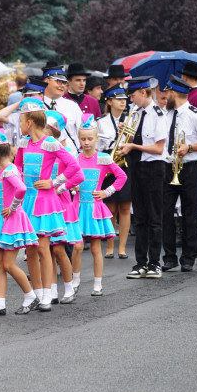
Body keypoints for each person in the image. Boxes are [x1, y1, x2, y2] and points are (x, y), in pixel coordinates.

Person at [14, 98, 83, 311]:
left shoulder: (50, 144)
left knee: (44, 248)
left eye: (21, 120)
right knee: (30, 250)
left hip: (44, 201)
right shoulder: (23, 144)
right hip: (27, 201)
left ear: (29, 123)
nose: (19, 124)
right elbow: (16, 169)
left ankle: (47, 294)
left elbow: (73, 166)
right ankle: (37, 293)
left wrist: (54, 182)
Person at [160, 75, 197, 272]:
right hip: (168, 167)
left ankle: (188, 257)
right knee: (165, 213)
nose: (165, 97)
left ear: (174, 93)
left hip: (189, 168)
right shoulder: (165, 114)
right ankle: (169, 257)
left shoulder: (194, 114)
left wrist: (189, 148)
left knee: (189, 213)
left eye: (167, 94)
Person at [0, 129, 38, 316]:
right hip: (3, 218)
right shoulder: (4, 170)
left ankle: (31, 296)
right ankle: (0, 304)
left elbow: (21, 189)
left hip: (12, 219)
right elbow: (11, 192)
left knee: (9, 264)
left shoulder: (9, 170)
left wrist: (11, 207)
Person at [118, 76, 168, 280]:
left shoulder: (158, 114)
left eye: (133, 95)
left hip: (154, 167)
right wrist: (126, 134)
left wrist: (133, 145)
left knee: (154, 217)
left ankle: (155, 263)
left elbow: (158, 148)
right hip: (137, 166)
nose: (131, 99)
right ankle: (141, 263)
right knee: (139, 216)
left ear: (143, 93)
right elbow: (133, 140)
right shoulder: (135, 113)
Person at [75, 116, 126, 296]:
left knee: (96, 248)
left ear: (97, 139)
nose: (86, 142)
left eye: (90, 139)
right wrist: (72, 187)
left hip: (95, 208)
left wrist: (106, 192)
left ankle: (97, 284)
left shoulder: (103, 158)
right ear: (78, 138)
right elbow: (65, 178)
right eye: (83, 139)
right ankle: (75, 280)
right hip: (77, 207)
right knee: (77, 246)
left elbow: (122, 177)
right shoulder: (75, 158)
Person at [44, 111, 82, 305]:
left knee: (59, 249)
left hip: (61, 203)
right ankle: (51, 291)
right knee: (47, 250)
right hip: (44, 203)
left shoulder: (61, 151)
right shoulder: (40, 150)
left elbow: (78, 175)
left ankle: (68, 287)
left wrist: (59, 186)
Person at [96, 84, 133, 258]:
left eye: (124, 99)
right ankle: (110, 245)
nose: (123, 102)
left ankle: (122, 248)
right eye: (118, 99)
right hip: (109, 165)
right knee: (110, 206)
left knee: (125, 206)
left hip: (126, 164)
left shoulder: (131, 119)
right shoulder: (101, 122)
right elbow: (97, 145)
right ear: (109, 101)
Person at [42, 64, 83, 151]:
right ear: (46, 81)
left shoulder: (72, 106)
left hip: (69, 156)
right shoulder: (37, 104)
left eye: (64, 83)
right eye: (58, 81)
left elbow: (83, 130)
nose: (62, 85)